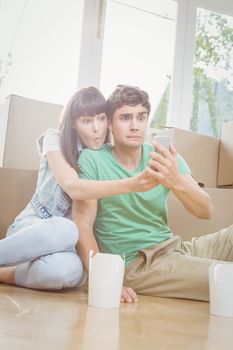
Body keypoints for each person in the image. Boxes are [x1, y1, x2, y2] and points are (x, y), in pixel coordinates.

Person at [74, 84, 233, 303]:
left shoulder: (163, 157)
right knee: (226, 278)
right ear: (109, 123)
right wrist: (105, 279)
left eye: (141, 117)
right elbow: (82, 223)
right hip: (139, 263)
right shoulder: (93, 160)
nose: (135, 126)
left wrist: (174, 179)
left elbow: (205, 209)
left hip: (174, 249)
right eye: (125, 118)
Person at [0, 86, 159, 291]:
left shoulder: (105, 157)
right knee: (67, 228)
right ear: (73, 124)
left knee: (70, 272)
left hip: (68, 245)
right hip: (37, 228)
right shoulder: (54, 139)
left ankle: (3, 274)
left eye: (101, 119)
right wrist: (131, 184)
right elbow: (72, 187)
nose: (96, 128)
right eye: (86, 121)